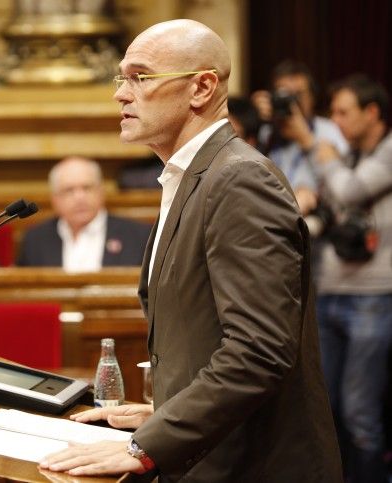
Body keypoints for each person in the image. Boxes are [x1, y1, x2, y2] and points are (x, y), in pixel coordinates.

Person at [39, 19, 342, 482]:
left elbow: (258, 351)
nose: (121, 93)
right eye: (121, 78)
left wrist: (152, 445)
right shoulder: (193, 176)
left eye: (140, 77)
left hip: (256, 468)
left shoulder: (239, 180)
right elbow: (203, 334)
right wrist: (164, 415)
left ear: (201, 88)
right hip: (215, 452)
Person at [312, 74, 392, 483]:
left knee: (360, 411)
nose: (335, 120)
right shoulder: (351, 154)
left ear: (372, 111)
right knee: (328, 409)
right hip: (333, 292)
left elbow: (351, 192)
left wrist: (322, 156)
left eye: (344, 111)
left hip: (373, 295)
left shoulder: (388, 151)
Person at [17, 156, 151, 271]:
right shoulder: (35, 239)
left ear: (101, 192)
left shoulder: (138, 235)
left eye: (87, 188)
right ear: (55, 199)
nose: (79, 197)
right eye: (69, 190)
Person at [251, 60, 348, 216]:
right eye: (284, 95)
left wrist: (306, 140)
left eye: (298, 95)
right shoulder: (265, 133)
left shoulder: (331, 131)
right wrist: (252, 119)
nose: (291, 102)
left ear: (312, 97)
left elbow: (343, 189)